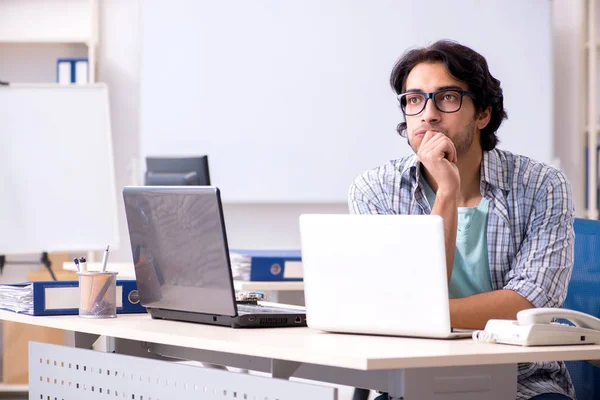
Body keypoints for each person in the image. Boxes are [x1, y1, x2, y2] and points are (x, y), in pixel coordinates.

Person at [348, 40, 575, 400]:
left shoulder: (541, 185)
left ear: (483, 113)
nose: (428, 114)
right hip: (414, 378)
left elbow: (529, 304)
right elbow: (392, 301)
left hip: (520, 380)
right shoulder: (375, 190)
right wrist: (447, 192)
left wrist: (419, 314)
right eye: (414, 99)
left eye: (447, 98)